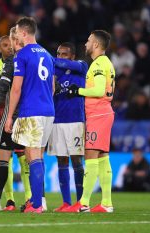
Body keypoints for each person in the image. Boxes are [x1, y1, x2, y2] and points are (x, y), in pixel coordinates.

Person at [4, 16, 55, 214]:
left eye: (16, 31)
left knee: (32, 156)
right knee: (37, 156)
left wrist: (9, 117)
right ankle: (37, 200)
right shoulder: (47, 54)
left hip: (31, 112)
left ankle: (36, 205)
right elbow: (51, 86)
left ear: (24, 33)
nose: (15, 34)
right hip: (48, 111)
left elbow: (15, 89)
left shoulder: (22, 55)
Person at [64, 30, 115, 213]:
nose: (86, 44)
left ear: (95, 45)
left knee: (91, 156)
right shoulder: (103, 62)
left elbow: (100, 90)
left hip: (98, 114)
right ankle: (106, 203)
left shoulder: (100, 63)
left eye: (88, 40)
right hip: (102, 114)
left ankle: (83, 203)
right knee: (102, 158)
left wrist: (78, 91)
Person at [0, 27, 31, 211]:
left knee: (8, 158)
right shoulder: (35, 58)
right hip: (31, 114)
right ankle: (32, 201)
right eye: (5, 44)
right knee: (31, 159)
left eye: (12, 42)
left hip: (10, 114)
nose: (10, 47)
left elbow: (2, 89)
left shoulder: (13, 62)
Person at [47, 42, 87, 212]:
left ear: (72, 56)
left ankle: (80, 201)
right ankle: (66, 203)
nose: (61, 56)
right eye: (58, 53)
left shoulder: (81, 66)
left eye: (64, 54)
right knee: (61, 159)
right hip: (57, 121)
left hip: (75, 120)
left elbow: (62, 63)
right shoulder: (54, 71)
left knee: (77, 159)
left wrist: (49, 59)